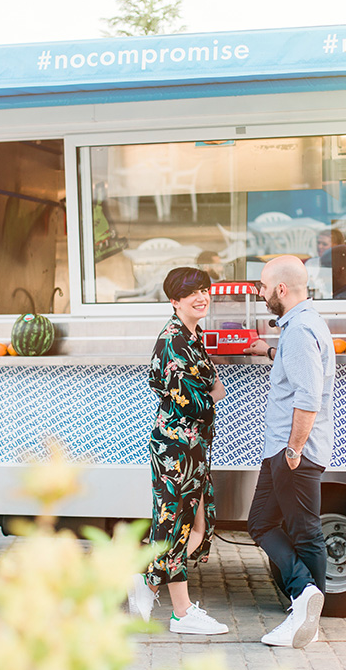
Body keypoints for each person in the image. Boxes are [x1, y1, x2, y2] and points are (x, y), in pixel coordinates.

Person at [128, 267, 228, 635]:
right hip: (177, 450)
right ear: (174, 301)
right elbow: (203, 400)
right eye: (192, 294)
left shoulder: (192, 334)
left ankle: (147, 583)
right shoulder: (174, 341)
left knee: (197, 526)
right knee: (178, 529)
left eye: (204, 290)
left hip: (192, 446)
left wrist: (210, 390)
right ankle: (181, 614)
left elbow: (211, 389)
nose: (202, 297)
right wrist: (210, 391)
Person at [243, 255, 336, 648]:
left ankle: (305, 614)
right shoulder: (303, 324)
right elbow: (296, 371)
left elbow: (309, 395)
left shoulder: (299, 330)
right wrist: (268, 352)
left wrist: (294, 449)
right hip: (284, 448)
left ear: (281, 289)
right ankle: (305, 600)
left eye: (264, 288)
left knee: (305, 533)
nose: (262, 295)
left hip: (292, 449)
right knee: (261, 523)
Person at [305, 229, 344, 299]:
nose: (320, 246)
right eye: (318, 243)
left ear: (336, 246)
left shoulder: (344, 265)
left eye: (324, 244)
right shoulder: (310, 263)